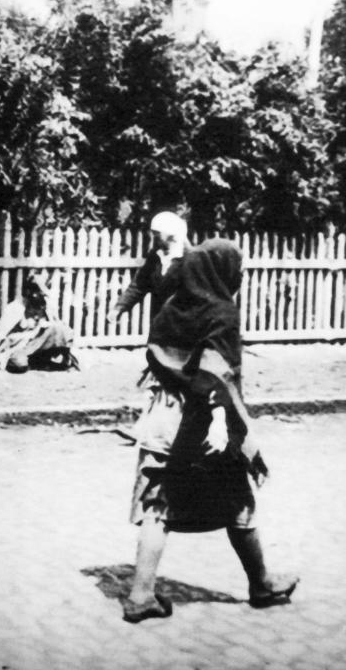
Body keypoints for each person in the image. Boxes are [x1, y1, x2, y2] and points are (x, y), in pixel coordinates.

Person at [123, 238, 298, 623]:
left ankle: (140, 596)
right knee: (238, 499)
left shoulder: (173, 307)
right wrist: (222, 420)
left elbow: (159, 354)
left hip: (164, 417)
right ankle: (263, 585)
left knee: (159, 502)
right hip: (205, 421)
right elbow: (215, 372)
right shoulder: (222, 312)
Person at [108, 211, 190, 325]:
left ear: (171, 233)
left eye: (157, 233)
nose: (154, 236)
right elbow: (139, 284)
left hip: (182, 323)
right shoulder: (155, 256)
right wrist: (119, 308)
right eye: (153, 233)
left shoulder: (190, 258)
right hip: (158, 322)